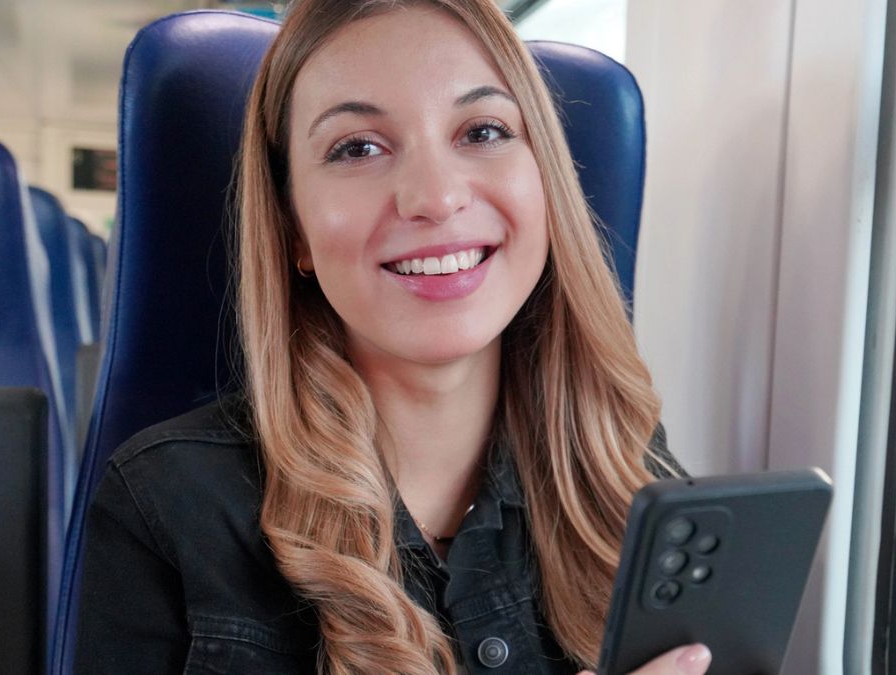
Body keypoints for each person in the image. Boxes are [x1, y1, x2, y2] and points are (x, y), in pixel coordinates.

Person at [75, 0, 709, 673]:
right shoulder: (167, 507)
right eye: (358, 148)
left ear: (546, 181)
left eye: (483, 130)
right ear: (294, 229)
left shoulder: (632, 475)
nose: (435, 196)